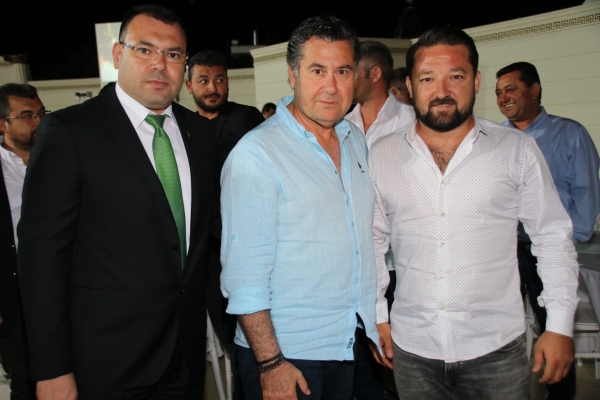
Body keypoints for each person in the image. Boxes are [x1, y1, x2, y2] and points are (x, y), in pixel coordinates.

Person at [18, 4, 215, 400]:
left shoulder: (200, 133)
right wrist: (52, 367)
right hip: (105, 362)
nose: (159, 64)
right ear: (118, 54)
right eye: (144, 49)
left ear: (185, 64)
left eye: (173, 53)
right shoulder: (70, 132)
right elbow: (42, 258)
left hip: (185, 356)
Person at [370, 26, 579, 400]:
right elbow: (370, 242)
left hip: (496, 350)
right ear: (411, 86)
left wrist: (560, 325)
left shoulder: (516, 150)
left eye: (456, 76)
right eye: (428, 78)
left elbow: (552, 237)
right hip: (412, 349)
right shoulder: (383, 155)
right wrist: (377, 315)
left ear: (476, 81)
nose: (442, 90)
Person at [220, 15, 380, 400]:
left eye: (342, 71)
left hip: (351, 342)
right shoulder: (257, 155)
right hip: (288, 354)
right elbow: (244, 276)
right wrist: (270, 363)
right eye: (317, 70)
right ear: (292, 75)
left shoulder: (354, 139)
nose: (331, 86)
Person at [496, 61, 600, 399]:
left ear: (534, 90)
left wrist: (565, 242)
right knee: (501, 329)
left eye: (511, 89)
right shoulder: (495, 139)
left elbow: (586, 192)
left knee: (553, 327)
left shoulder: (569, 134)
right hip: (504, 252)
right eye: (498, 92)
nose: (503, 97)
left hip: (549, 252)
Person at [186, 49, 264, 400]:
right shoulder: (181, 127)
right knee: (225, 331)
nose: (213, 87)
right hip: (204, 251)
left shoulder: (247, 119)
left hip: (247, 241)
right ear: (189, 85)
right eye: (203, 80)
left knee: (253, 328)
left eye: (219, 79)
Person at [344, 40, 414, 400]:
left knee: (400, 357)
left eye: (350, 70)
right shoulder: (343, 123)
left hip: (398, 260)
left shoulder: (410, 120)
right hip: (356, 258)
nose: (344, 78)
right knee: (363, 354)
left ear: (374, 74)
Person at [0, 83, 44, 400]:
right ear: (2, 124)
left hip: (66, 287)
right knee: (25, 384)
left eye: (41, 113)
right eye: (27, 116)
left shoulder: (60, 158)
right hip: (13, 294)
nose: (38, 122)